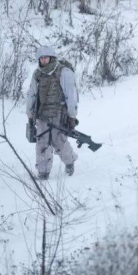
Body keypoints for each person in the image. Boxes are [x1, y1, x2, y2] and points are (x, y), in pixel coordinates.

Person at [26, 45, 79, 180]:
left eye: (46, 57)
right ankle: (43, 172)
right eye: (41, 58)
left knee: (59, 142)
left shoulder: (64, 72)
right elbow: (32, 94)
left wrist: (72, 117)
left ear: (52, 57)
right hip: (42, 115)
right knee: (42, 143)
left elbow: (71, 96)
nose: (44, 60)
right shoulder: (37, 74)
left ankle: (70, 161)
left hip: (59, 113)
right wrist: (30, 114)